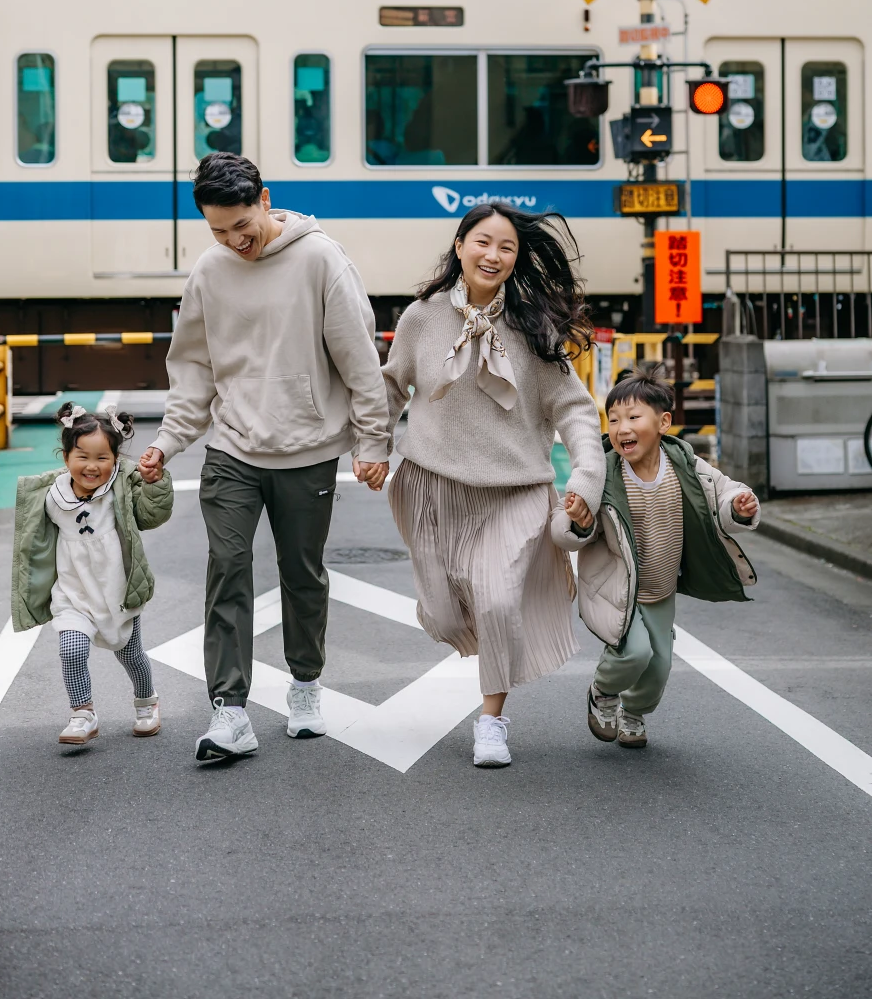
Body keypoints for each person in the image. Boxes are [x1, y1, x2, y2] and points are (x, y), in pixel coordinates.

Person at [137, 152, 390, 763]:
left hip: (307, 452)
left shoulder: (321, 259)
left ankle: (305, 685)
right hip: (232, 448)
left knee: (302, 574)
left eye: (241, 225)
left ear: (265, 199)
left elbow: (358, 356)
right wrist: (167, 442)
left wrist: (373, 440)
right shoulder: (210, 269)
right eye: (218, 231)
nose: (233, 241)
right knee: (226, 569)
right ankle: (229, 712)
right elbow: (193, 366)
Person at [380, 202, 606, 769]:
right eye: (483, 242)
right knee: (446, 614)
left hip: (515, 492)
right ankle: (479, 648)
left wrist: (585, 474)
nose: (493, 255)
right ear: (459, 247)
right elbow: (389, 388)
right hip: (433, 490)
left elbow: (574, 408)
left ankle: (492, 720)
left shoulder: (533, 328)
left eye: (506, 247)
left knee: (499, 600)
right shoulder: (422, 318)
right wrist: (370, 448)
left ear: (515, 258)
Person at [561, 368, 759, 749]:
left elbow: (720, 491)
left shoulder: (683, 464)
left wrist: (738, 505)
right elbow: (565, 518)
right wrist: (579, 520)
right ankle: (603, 693)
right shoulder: (603, 471)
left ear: (663, 422)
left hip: (661, 587)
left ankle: (633, 713)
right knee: (633, 653)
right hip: (618, 586)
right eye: (614, 419)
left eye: (633, 418)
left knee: (659, 666)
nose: (621, 429)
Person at [11, 403, 174, 747]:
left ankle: (147, 702)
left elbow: (152, 515)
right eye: (82, 456)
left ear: (115, 459)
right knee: (71, 650)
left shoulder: (120, 488)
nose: (91, 466)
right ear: (66, 455)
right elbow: (35, 545)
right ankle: (82, 713)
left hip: (117, 587)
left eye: (102, 458)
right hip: (73, 592)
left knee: (130, 654)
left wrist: (154, 483)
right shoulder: (51, 496)